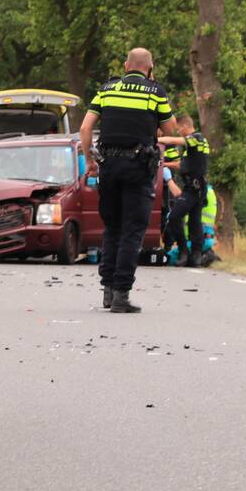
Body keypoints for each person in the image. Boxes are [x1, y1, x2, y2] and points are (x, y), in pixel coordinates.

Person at [80, 48, 177, 313]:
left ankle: (108, 290)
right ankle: (122, 294)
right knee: (133, 230)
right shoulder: (156, 92)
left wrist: (90, 161)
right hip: (138, 167)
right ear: (150, 67)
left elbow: (85, 127)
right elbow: (172, 129)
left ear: (126, 65)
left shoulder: (107, 89)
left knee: (112, 227)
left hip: (108, 166)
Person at [158, 115, 210, 267]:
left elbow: (176, 141)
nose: (179, 132)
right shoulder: (192, 148)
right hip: (193, 188)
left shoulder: (197, 138)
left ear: (186, 126)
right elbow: (183, 165)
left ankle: (186, 251)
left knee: (175, 217)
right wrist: (165, 165)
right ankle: (194, 255)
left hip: (195, 189)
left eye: (179, 129)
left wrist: (158, 140)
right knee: (194, 222)